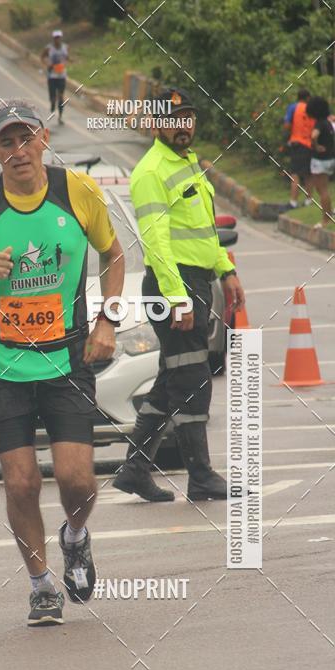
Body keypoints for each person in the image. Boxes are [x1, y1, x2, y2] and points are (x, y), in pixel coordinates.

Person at [0, 100, 124, 626]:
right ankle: (40, 584)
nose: (18, 152)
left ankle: (76, 537)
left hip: (67, 357)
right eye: (5, 142)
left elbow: (115, 253)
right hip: (5, 364)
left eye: (26, 139)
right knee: (20, 483)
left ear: (43, 138)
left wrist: (108, 320)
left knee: (77, 479)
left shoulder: (77, 191)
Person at [113, 87, 246, 503]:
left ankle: (134, 470)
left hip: (196, 280)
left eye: (187, 117)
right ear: (156, 124)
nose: (182, 125)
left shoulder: (189, 164)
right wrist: (178, 298)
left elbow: (203, 230)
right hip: (175, 285)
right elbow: (156, 241)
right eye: (173, 119)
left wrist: (226, 270)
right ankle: (201, 475)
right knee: (192, 378)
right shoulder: (151, 171)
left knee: (174, 377)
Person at [305, 95, 334, 230]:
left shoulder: (319, 123)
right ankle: (330, 211)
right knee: (322, 189)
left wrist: (316, 146)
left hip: (320, 160)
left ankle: (325, 219)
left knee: (322, 190)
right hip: (329, 158)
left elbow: (313, 136)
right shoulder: (328, 122)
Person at [283, 89, 314, 209]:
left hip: (296, 143)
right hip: (309, 144)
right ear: (307, 98)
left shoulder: (293, 107)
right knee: (308, 174)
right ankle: (309, 199)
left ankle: (293, 201)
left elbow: (286, 125)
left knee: (295, 174)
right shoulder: (312, 109)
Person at [41, 30, 69, 125]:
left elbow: (66, 57)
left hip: (61, 75)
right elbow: (42, 57)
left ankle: (60, 116)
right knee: (53, 97)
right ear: (53, 39)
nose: (57, 39)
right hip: (52, 76)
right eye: (56, 38)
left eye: (59, 37)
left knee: (61, 97)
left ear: (61, 38)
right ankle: (53, 104)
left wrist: (66, 62)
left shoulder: (65, 47)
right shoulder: (49, 48)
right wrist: (47, 63)